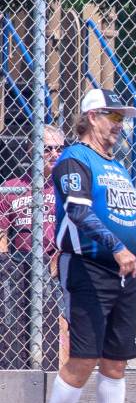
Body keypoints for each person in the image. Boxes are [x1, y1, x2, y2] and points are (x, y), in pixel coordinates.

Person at [30, 87, 136, 403]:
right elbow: (78, 213)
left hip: (125, 274)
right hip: (87, 266)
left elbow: (131, 227)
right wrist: (115, 249)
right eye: (113, 116)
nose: (119, 125)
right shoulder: (75, 159)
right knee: (83, 358)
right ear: (92, 117)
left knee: (116, 361)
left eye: (122, 118)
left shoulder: (118, 169)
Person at [0, 125, 65, 370]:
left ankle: (52, 364)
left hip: (58, 263)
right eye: (47, 149)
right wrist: (5, 262)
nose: (54, 154)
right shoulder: (13, 187)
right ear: (32, 151)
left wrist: (61, 255)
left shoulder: (68, 188)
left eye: (59, 148)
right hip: (20, 265)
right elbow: (2, 232)